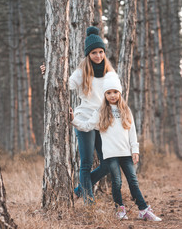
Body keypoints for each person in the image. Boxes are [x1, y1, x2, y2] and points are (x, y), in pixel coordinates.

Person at [69, 72, 162, 221]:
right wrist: (74, 120)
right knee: (116, 182)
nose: (112, 95)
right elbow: (87, 126)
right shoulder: (101, 112)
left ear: (120, 93)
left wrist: (135, 150)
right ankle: (120, 209)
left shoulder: (126, 110)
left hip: (126, 153)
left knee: (133, 181)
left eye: (115, 92)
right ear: (105, 95)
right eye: (109, 93)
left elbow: (132, 131)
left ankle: (143, 209)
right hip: (110, 154)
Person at [40, 26, 112, 204]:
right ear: (88, 54)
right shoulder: (81, 72)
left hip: (101, 122)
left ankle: (80, 189)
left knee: (108, 164)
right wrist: (47, 74)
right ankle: (89, 202)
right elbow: (65, 85)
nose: (98, 55)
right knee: (86, 163)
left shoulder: (109, 73)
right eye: (94, 52)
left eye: (101, 52)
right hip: (84, 119)